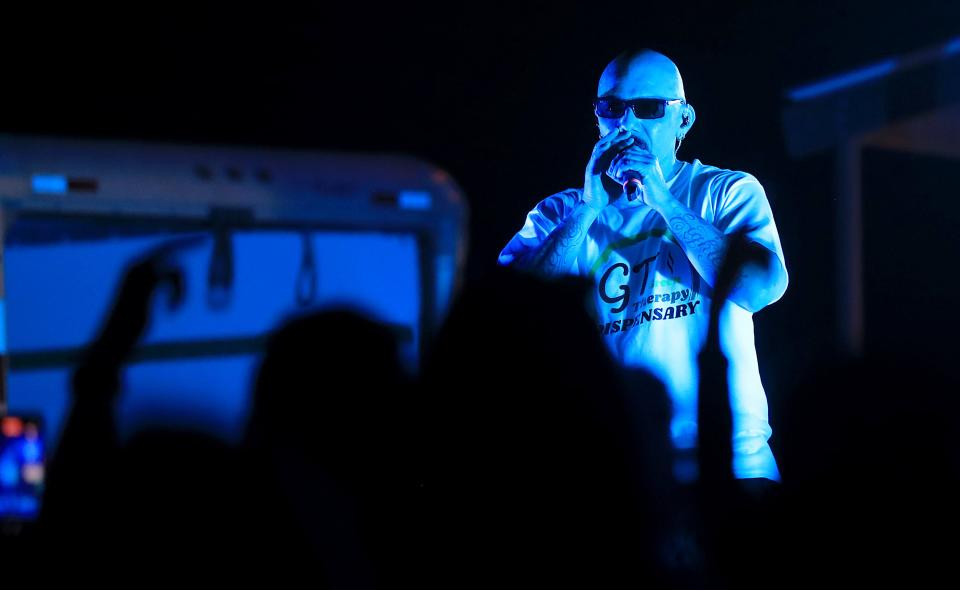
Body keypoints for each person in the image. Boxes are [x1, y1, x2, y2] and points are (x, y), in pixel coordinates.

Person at [498, 49, 788, 483]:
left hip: (730, 465)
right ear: (597, 117)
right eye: (612, 108)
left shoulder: (727, 191)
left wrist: (664, 201)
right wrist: (587, 209)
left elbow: (760, 288)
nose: (627, 125)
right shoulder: (557, 213)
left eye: (648, 109)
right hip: (613, 475)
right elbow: (503, 321)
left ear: (683, 121)